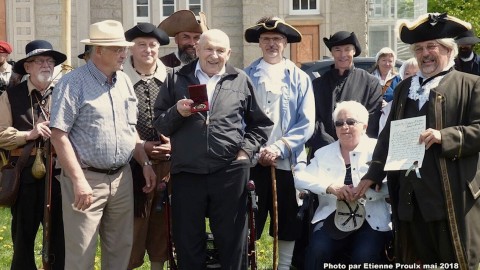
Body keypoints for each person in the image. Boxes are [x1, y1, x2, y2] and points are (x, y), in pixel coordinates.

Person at [356, 13, 480, 270]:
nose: (425, 53)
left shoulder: (471, 85)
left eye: (432, 46)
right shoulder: (404, 88)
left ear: (449, 50)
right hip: (410, 197)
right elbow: (388, 134)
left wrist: (444, 136)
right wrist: (374, 172)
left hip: (451, 197)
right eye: (419, 48)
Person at [153, 28, 273, 269]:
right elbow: (160, 122)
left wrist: (244, 153)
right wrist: (178, 112)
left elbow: (261, 124)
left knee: (232, 243)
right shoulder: (176, 77)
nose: (214, 55)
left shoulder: (240, 79)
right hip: (187, 172)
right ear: (197, 49)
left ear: (229, 53)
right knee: (188, 243)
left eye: (220, 50)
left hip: (229, 172)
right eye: (208, 49)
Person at [49, 20, 156, 269]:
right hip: (87, 180)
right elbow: (58, 135)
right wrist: (78, 181)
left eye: (124, 48)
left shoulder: (124, 82)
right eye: (118, 49)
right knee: (81, 255)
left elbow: (131, 131)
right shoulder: (72, 83)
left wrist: (145, 162)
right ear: (98, 50)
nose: (124, 53)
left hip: (122, 178)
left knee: (120, 252)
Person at [243, 16, 315, 270]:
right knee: (248, 221)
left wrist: (279, 147)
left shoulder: (299, 77)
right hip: (253, 160)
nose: (272, 43)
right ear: (259, 43)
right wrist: (255, 150)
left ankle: (283, 268)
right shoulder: (245, 77)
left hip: (288, 162)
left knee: (287, 222)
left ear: (285, 42)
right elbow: (239, 119)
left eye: (277, 39)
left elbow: (307, 123)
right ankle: (248, 264)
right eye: (266, 39)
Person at [295, 101, 391, 268]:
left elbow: (394, 184)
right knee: (318, 249)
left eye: (351, 122)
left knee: (364, 256)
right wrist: (329, 187)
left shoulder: (379, 151)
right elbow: (299, 178)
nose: (344, 127)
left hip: (372, 217)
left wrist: (366, 192)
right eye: (339, 123)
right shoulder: (323, 153)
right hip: (332, 216)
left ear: (365, 126)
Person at [0, 39, 66, 269]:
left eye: (50, 61)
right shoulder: (10, 96)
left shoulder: (64, 94)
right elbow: (0, 134)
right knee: (23, 237)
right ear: (27, 67)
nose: (46, 65)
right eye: (40, 61)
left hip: (59, 174)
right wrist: (29, 134)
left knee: (59, 236)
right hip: (24, 175)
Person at [123, 23, 171, 270]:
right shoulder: (119, 79)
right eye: (141, 44)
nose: (148, 50)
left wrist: (173, 143)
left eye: (153, 45)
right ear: (131, 48)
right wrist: (141, 147)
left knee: (163, 222)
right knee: (133, 224)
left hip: (169, 164)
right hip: (131, 165)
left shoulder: (173, 77)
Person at [306, 31, 382, 158]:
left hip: (358, 153)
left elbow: (372, 119)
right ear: (332, 52)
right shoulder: (318, 84)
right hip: (323, 152)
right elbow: (312, 119)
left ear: (354, 52)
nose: (343, 55)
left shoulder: (370, 83)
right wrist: (329, 145)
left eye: (347, 49)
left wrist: (348, 142)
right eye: (337, 50)